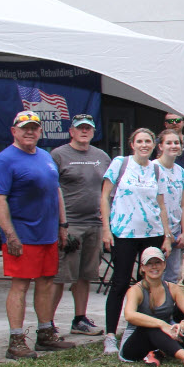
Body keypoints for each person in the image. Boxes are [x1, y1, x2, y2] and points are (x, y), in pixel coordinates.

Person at [0, 110, 73, 359]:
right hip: (23, 235)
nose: (29, 131)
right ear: (14, 131)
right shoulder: (5, 160)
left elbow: (55, 191)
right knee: (20, 286)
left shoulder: (45, 156)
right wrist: (10, 235)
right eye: (24, 127)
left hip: (48, 234)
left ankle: (45, 334)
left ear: (40, 131)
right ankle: (16, 341)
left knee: (47, 282)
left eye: (34, 127)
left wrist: (63, 225)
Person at [101, 128, 172, 355]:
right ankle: (110, 335)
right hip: (124, 233)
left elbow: (161, 205)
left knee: (153, 283)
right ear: (132, 144)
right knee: (120, 283)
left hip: (152, 233)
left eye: (148, 141)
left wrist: (167, 236)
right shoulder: (120, 164)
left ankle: (149, 329)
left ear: (154, 145)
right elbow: (104, 197)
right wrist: (106, 230)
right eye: (139, 141)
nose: (144, 145)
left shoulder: (157, 170)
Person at [50, 113, 109, 336]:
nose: (84, 131)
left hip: (94, 223)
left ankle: (79, 319)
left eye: (88, 128)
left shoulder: (101, 156)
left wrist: (107, 223)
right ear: (71, 131)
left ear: (93, 132)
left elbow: (108, 190)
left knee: (86, 275)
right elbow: (52, 190)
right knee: (61, 276)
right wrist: (60, 224)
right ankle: (48, 323)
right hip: (69, 225)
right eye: (80, 128)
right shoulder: (58, 155)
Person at [119, 247, 184, 367]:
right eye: (149, 263)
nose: (154, 267)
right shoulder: (136, 290)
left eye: (157, 262)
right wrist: (161, 324)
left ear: (164, 264)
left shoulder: (172, 287)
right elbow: (129, 315)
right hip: (134, 344)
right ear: (142, 268)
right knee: (151, 326)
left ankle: (158, 353)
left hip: (164, 335)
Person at [155, 129, 184, 283]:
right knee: (155, 272)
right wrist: (166, 233)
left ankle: (170, 306)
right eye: (168, 143)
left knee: (173, 275)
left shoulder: (181, 172)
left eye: (176, 143)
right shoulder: (152, 168)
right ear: (160, 146)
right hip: (156, 230)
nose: (173, 146)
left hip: (176, 230)